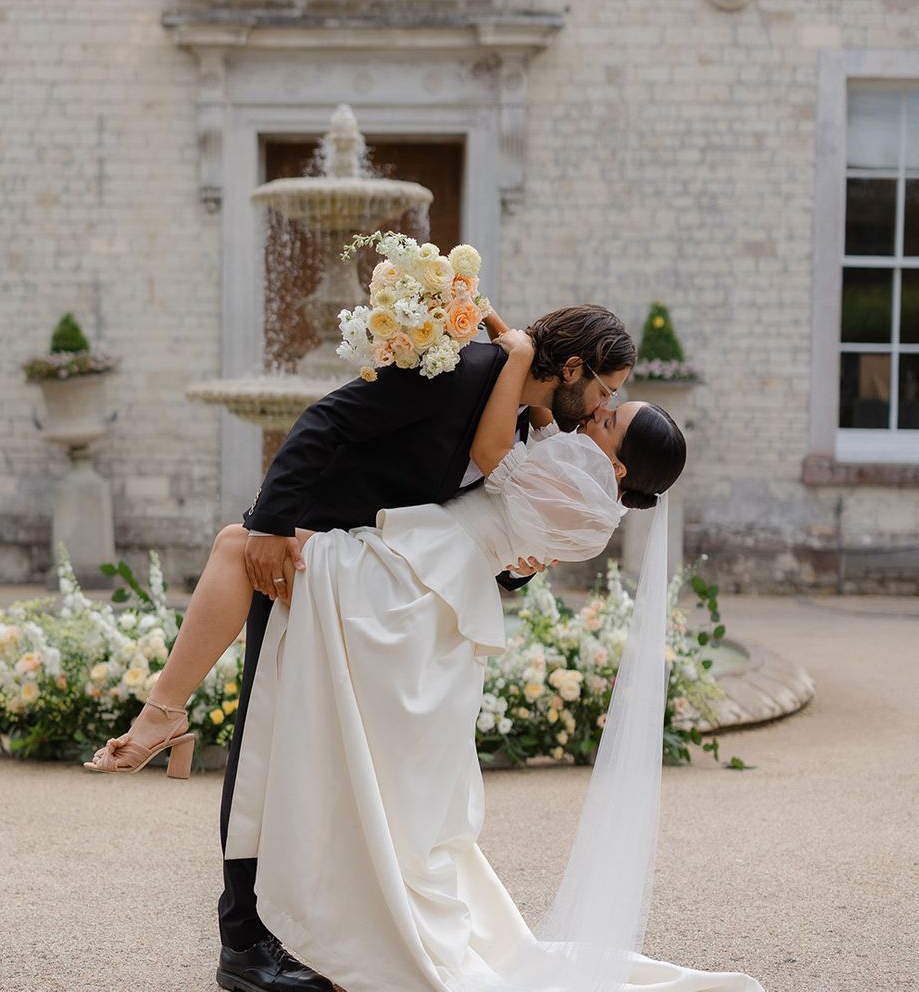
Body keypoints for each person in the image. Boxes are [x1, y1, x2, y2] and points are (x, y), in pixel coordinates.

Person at [89, 304, 638, 992]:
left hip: (396, 590)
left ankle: (292, 926)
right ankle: (246, 941)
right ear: (576, 368)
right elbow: (328, 420)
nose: (602, 407)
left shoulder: (530, 417)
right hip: (326, 553)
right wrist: (270, 525)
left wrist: (515, 558)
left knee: (323, 766)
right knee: (267, 734)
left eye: (612, 405)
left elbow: (492, 511)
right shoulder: (461, 371)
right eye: (606, 392)